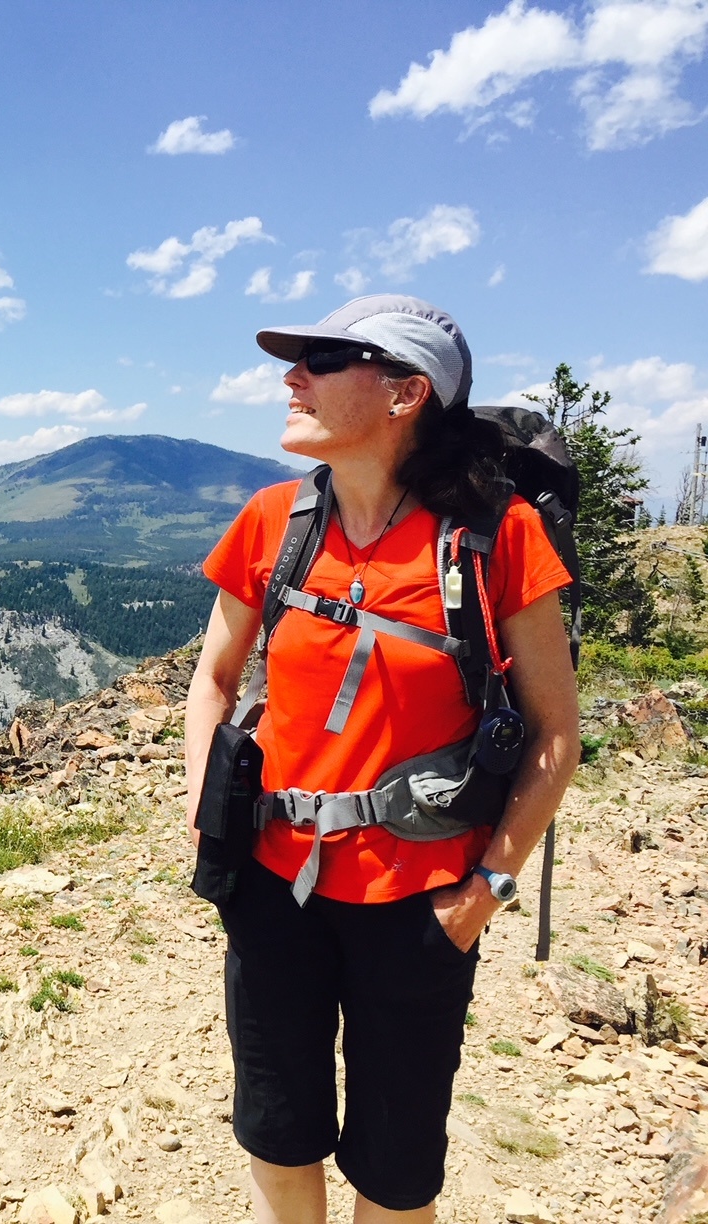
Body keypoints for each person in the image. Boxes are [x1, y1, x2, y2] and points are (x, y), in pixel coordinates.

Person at [183, 295, 581, 1224]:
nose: (293, 376)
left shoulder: (496, 536)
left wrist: (486, 892)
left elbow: (557, 733)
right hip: (275, 885)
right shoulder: (274, 520)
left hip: (423, 903)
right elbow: (212, 677)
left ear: (406, 393)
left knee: (398, 1171)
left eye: (322, 360)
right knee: (277, 1132)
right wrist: (210, 811)